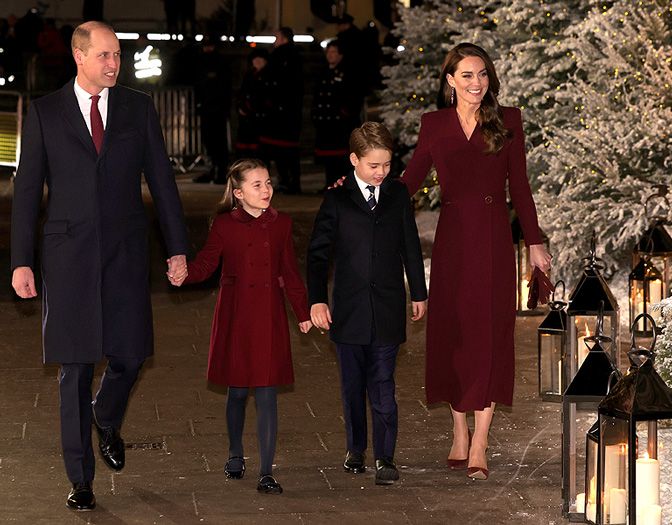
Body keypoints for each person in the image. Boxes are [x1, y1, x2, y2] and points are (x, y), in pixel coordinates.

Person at [11, 21, 188, 510]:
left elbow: (162, 182)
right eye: (105, 55)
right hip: (67, 257)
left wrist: (177, 248)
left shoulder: (137, 107)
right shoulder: (46, 113)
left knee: (131, 355)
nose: (115, 63)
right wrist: (21, 261)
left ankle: (105, 416)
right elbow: (27, 192)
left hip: (126, 254)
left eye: (118, 55)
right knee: (75, 367)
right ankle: (80, 478)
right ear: (79, 56)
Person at [401, 42, 551, 480]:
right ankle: (459, 430)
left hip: (491, 239)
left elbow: (519, 186)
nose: (476, 83)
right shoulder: (434, 125)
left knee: (488, 333)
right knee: (453, 332)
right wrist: (361, 189)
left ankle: (481, 440)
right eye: (466, 75)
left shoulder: (508, 121)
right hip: (451, 240)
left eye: (482, 74)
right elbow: (409, 180)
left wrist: (535, 242)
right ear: (450, 81)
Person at [171, 158, 312, 494]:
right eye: (257, 185)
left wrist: (302, 312)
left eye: (268, 183)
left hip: (269, 315)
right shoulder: (224, 225)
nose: (266, 190)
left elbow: (290, 272)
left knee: (267, 393)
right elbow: (207, 263)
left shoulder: (282, 224)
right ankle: (235, 452)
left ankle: (266, 471)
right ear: (238, 193)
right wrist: (186, 272)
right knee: (236, 390)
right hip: (236, 314)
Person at [307, 122, 428, 486]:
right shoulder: (337, 199)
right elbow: (317, 255)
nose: (381, 173)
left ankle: (385, 456)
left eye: (387, 165)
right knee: (352, 385)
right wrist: (316, 300)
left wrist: (419, 292)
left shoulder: (397, 195)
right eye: (374, 166)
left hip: (388, 307)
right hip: (348, 310)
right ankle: (355, 447)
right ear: (354, 160)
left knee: (383, 383)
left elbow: (409, 246)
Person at [311, 40, 362, 190]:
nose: (330, 55)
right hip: (325, 122)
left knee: (341, 157)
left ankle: (342, 184)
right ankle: (329, 183)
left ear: (340, 55)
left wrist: (345, 112)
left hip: (340, 123)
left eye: (333, 52)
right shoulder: (324, 72)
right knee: (328, 157)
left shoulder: (348, 72)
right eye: (328, 52)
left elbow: (353, 96)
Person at [259, 27, 304, 194]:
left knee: (283, 150)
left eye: (276, 37)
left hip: (281, 112)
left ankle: (288, 180)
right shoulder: (294, 56)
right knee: (286, 151)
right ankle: (289, 180)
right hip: (287, 112)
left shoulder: (281, 57)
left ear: (283, 38)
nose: (274, 40)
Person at [192, 37, 231, 184]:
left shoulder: (210, 63)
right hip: (212, 108)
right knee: (212, 140)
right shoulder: (210, 62)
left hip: (214, 108)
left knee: (216, 141)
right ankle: (216, 170)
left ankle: (219, 170)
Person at [234, 47, 268, 159]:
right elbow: (242, 93)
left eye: (260, 59)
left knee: (258, 152)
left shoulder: (267, 77)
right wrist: (241, 106)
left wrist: (250, 107)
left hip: (258, 119)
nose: (257, 61)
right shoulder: (248, 75)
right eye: (255, 59)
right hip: (245, 119)